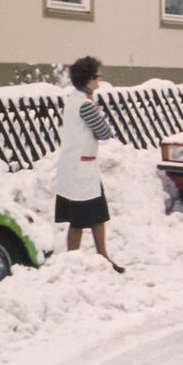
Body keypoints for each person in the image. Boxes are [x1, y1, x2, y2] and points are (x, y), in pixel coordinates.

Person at [55, 56, 124, 273]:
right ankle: (71, 263)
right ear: (88, 79)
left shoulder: (74, 99)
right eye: (97, 76)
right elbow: (104, 133)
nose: (100, 80)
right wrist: (98, 113)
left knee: (98, 215)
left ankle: (103, 256)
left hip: (78, 167)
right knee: (78, 220)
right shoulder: (85, 105)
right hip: (81, 170)